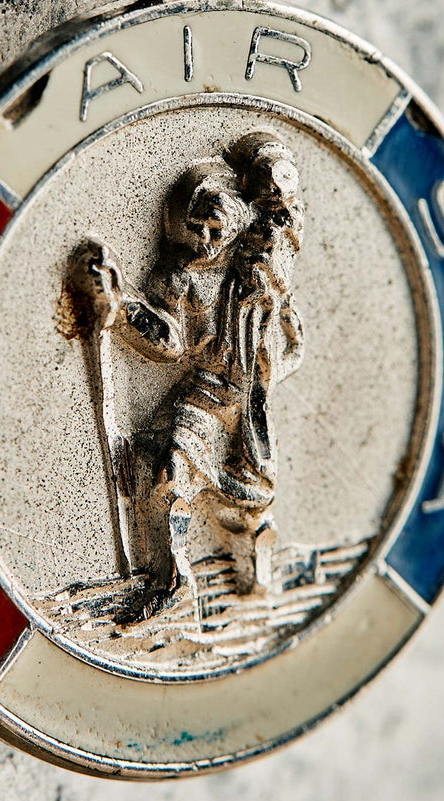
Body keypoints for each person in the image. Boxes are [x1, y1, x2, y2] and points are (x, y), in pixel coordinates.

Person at [71, 133, 304, 618]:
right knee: (169, 476)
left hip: (248, 404)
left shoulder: (260, 274)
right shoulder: (181, 278)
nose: (205, 240)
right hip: (203, 397)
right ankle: (172, 582)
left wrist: (276, 364)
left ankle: (256, 566)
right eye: (196, 228)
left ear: (237, 223)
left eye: (215, 228)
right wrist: (121, 307)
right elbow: (170, 344)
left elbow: (290, 338)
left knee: (251, 498)